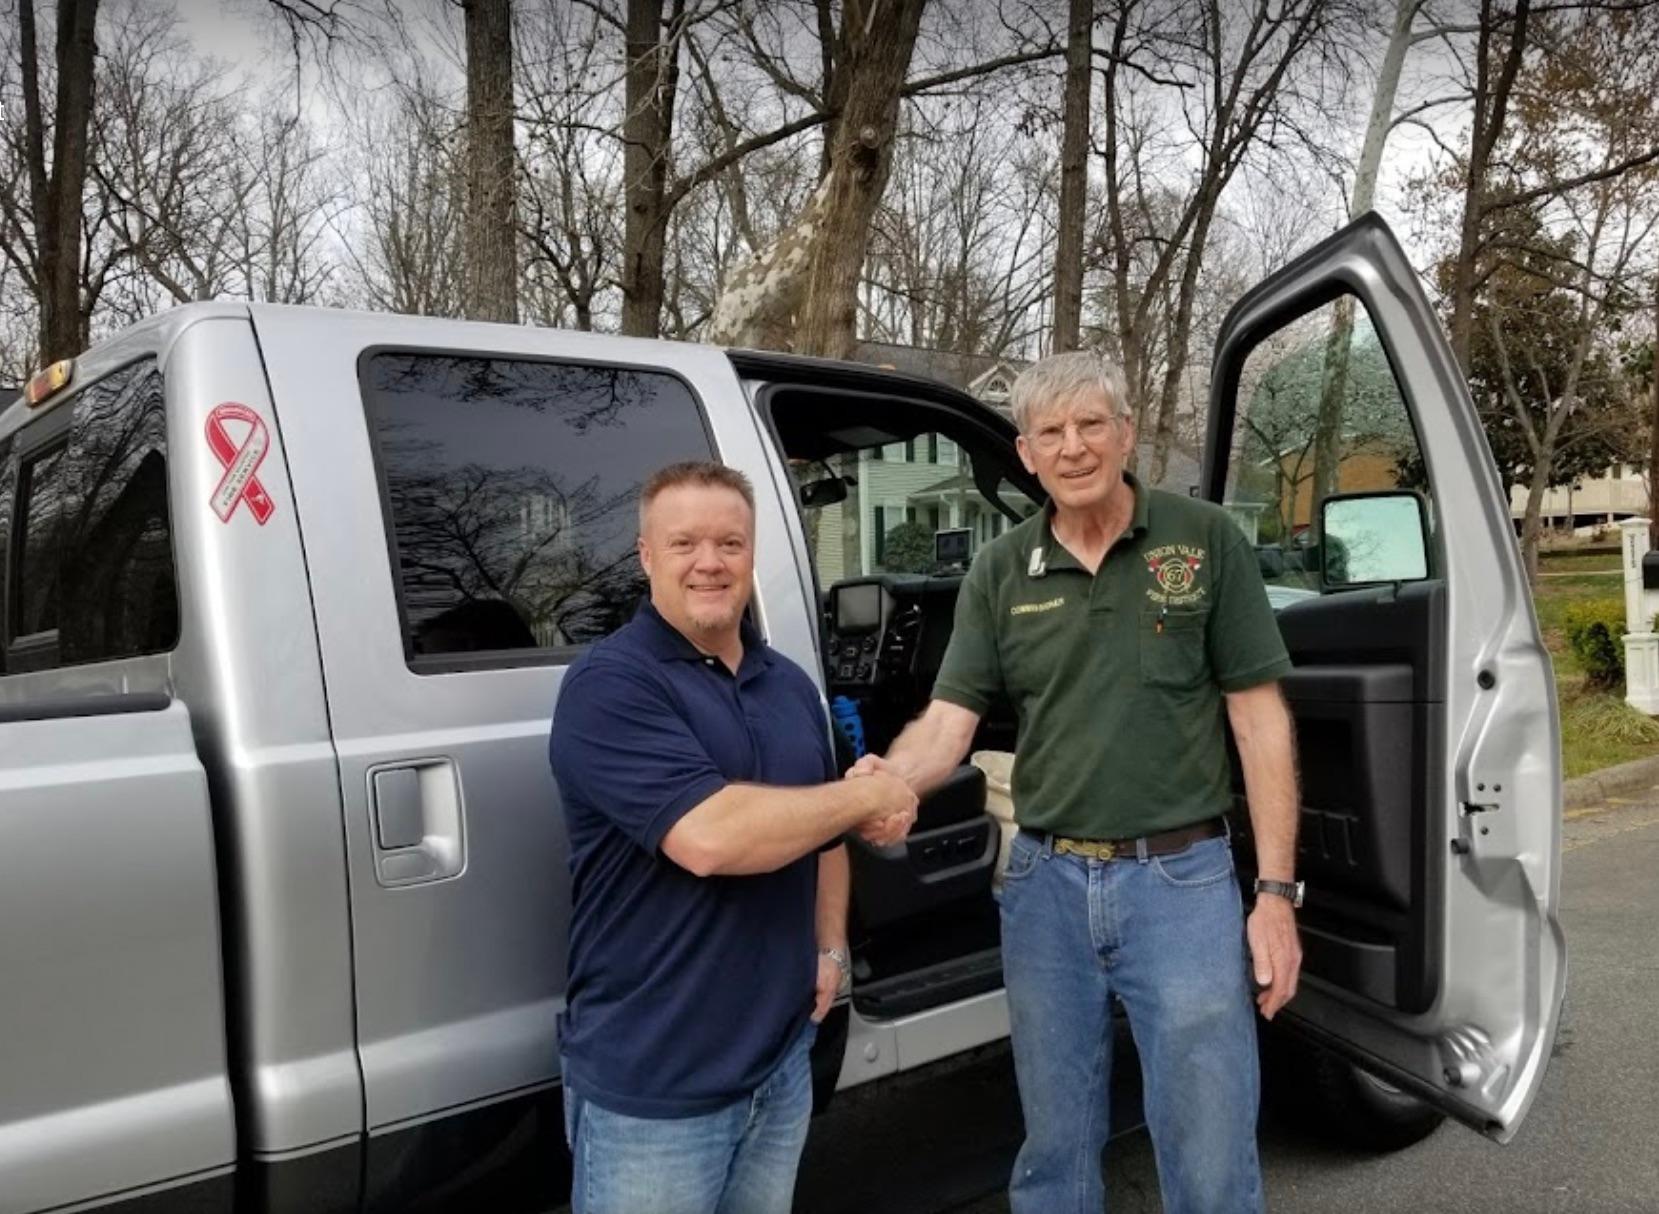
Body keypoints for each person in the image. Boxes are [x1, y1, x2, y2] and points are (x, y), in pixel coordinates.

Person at [854, 352, 1303, 1213]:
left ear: (1125, 434)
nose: (1072, 448)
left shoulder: (1203, 540)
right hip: (1045, 885)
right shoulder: (998, 572)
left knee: (1209, 1148)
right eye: (1050, 432)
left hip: (1182, 882)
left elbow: (1258, 721)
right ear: (1024, 454)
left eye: (1090, 425)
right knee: (1053, 1150)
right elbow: (949, 724)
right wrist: (879, 787)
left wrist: (1275, 894)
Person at [550, 460, 916, 1214]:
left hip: (777, 1065)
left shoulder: (788, 684)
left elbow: (823, 833)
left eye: (730, 543)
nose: (709, 563)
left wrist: (829, 947)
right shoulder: (611, 685)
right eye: (683, 544)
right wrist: (864, 797)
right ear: (646, 555)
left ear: (753, 555)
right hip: (657, 1087)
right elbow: (710, 837)